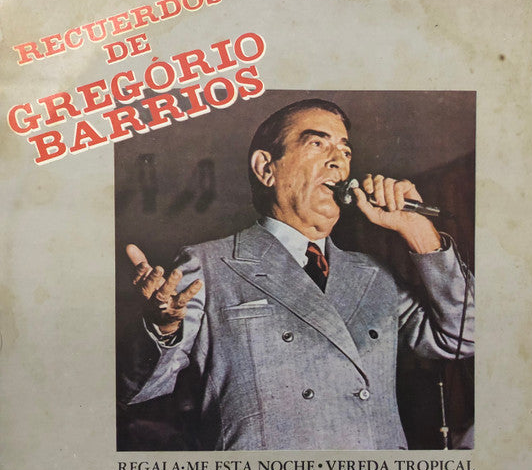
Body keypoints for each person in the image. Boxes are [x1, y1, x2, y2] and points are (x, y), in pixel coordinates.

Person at [120, 98, 474, 450]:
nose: (338, 161)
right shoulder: (208, 264)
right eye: (317, 144)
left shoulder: (374, 275)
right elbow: (135, 390)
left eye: (345, 151)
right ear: (265, 169)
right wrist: (162, 328)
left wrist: (418, 231)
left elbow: (464, 336)